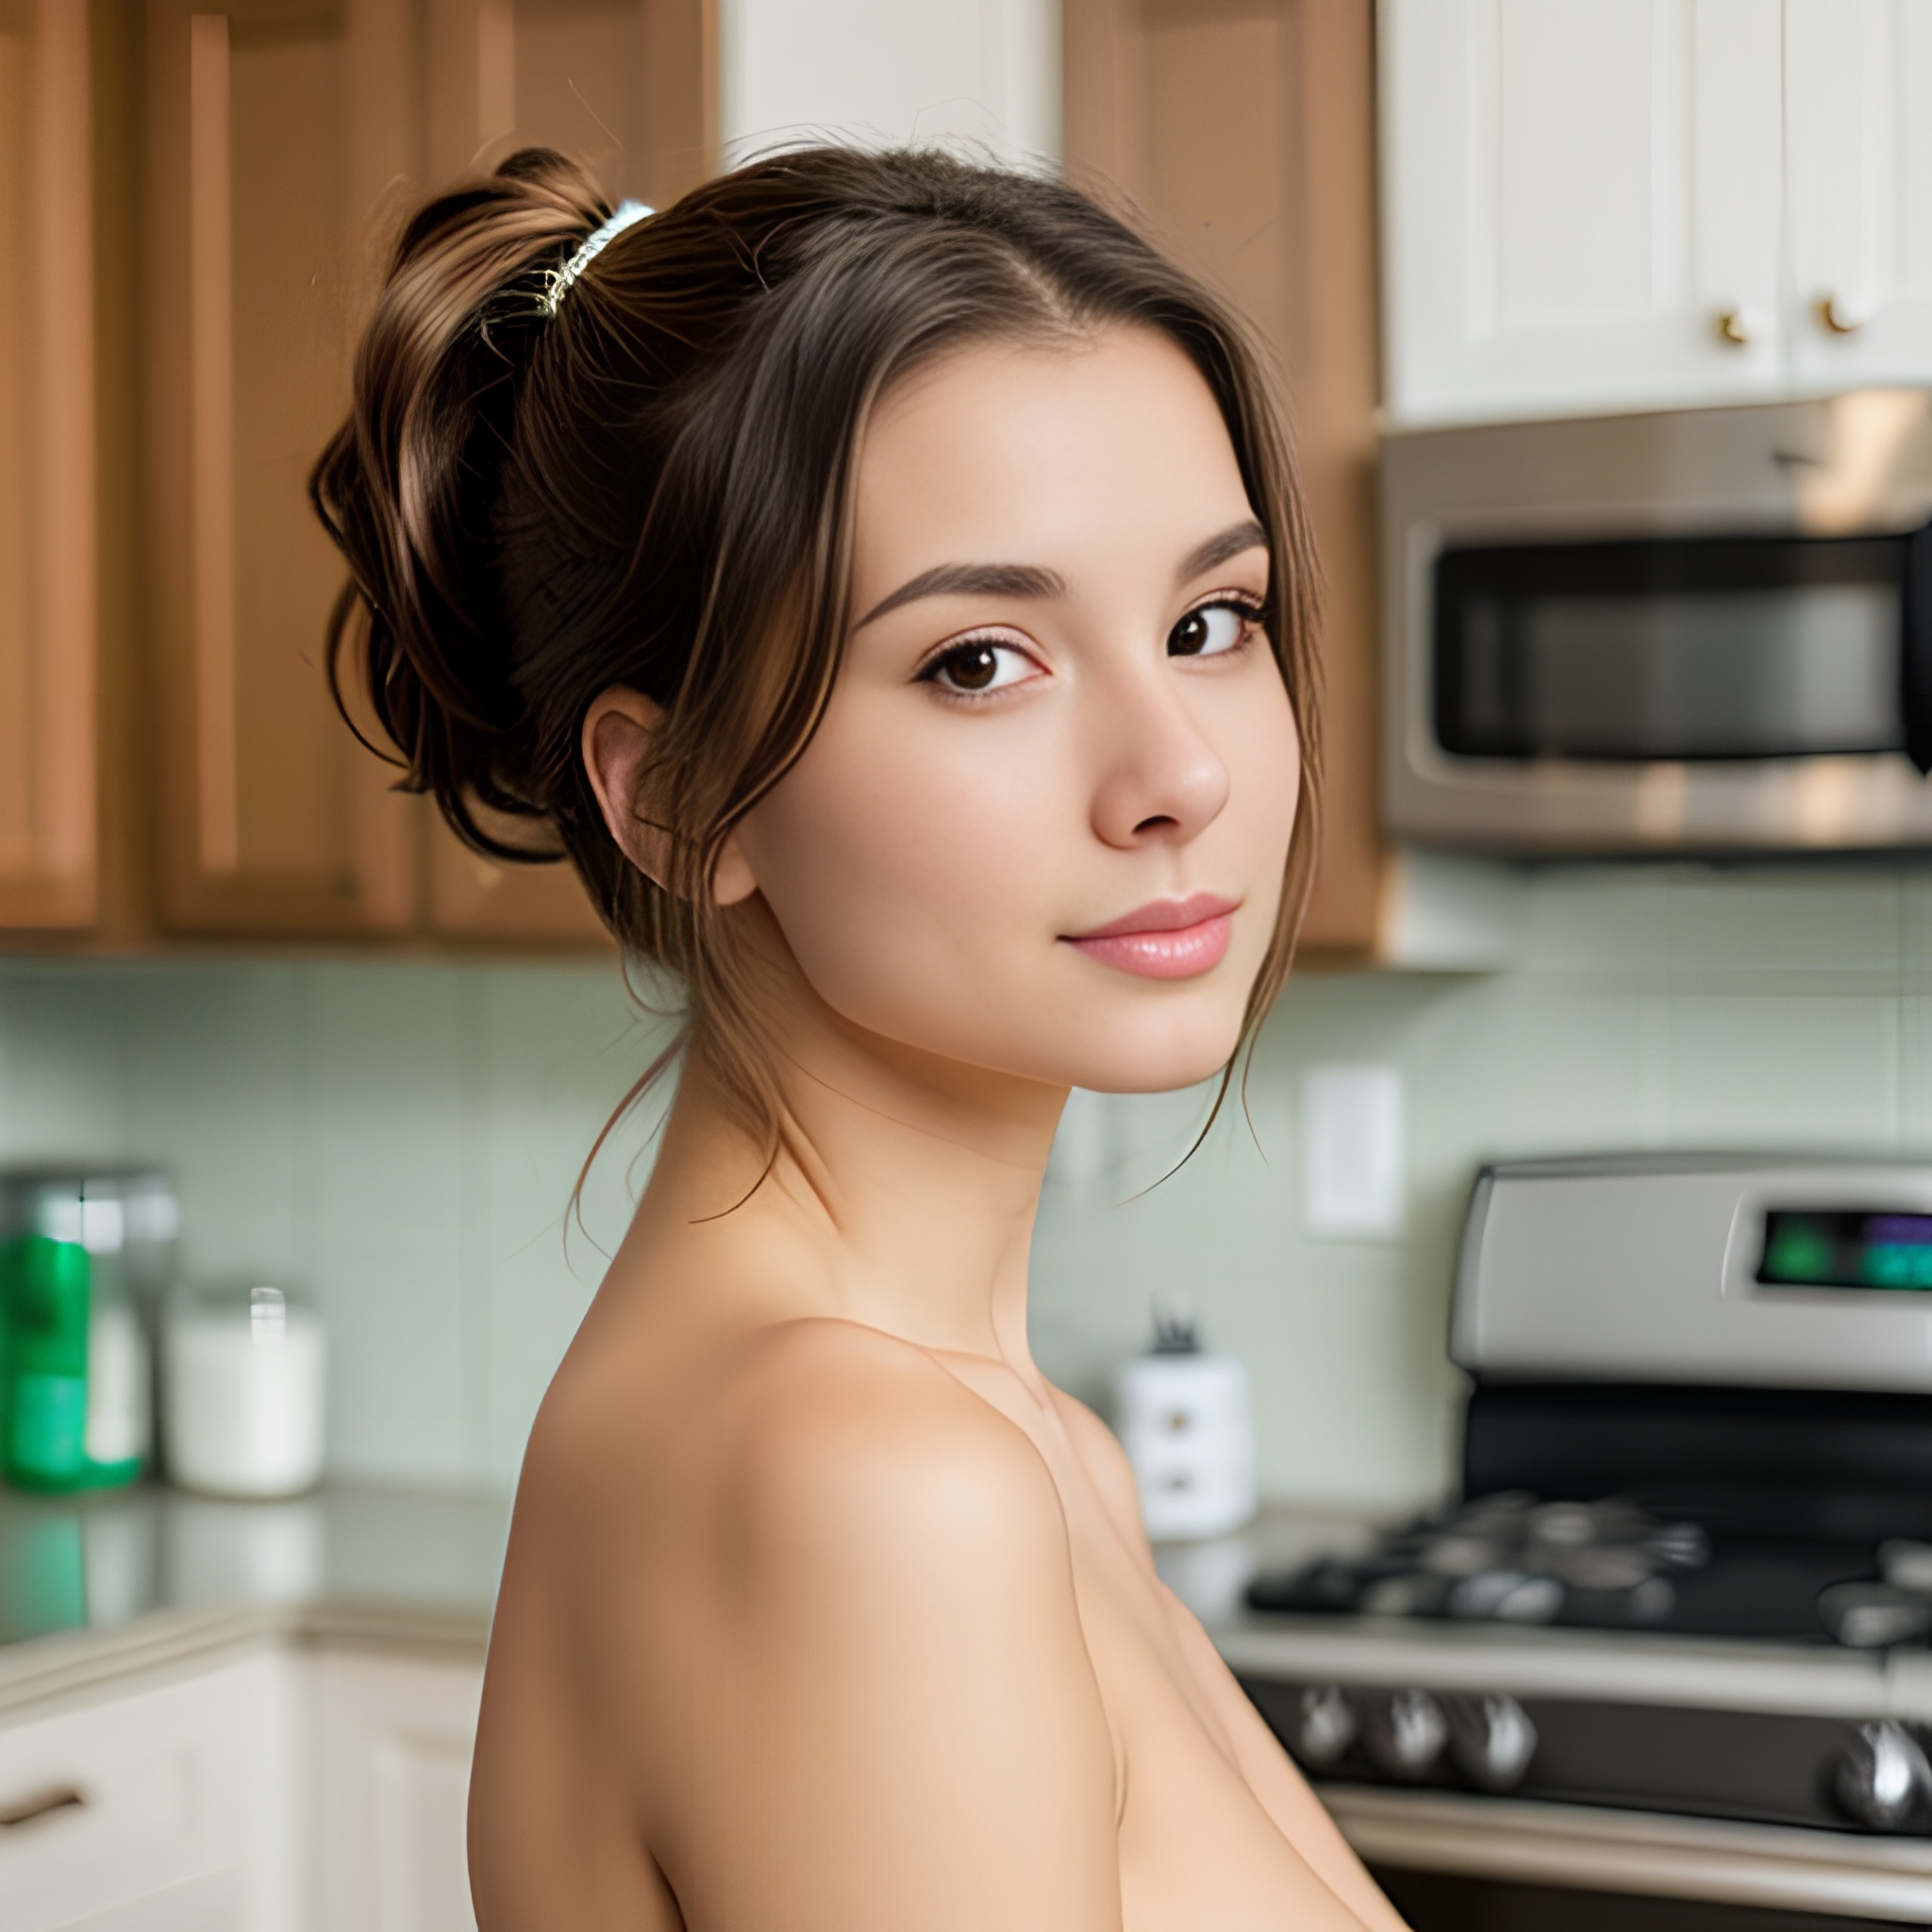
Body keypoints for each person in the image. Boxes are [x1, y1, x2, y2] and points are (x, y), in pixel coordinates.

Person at [313, 143, 1406, 1932]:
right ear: (675, 797)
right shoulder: (870, 1485)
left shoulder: (1026, 1448)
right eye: (980, 660)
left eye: (1210, 623)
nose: (1182, 774)